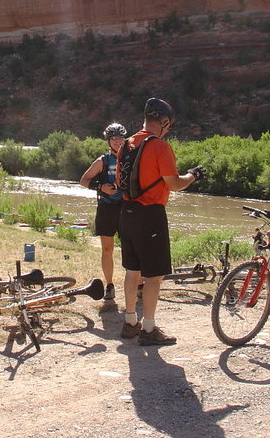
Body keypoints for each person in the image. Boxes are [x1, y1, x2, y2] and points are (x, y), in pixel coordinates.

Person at [118, 98, 205, 346]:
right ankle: (149, 329)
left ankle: (130, 322)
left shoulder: (126, 144)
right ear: (164, 122)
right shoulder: (159, 147)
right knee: (154, 276)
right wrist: (193, 175)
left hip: (127, 212)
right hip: (150, 215)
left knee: (132, 271)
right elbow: (174, 184)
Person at [80, 122, 128, 300]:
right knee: (107, 249)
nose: (118, 141)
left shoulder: (130, 159)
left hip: (126, 208)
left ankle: (138, 284)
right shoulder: (102, 161)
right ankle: (109, 285)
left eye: (120, 138)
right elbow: (84, 180)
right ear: (108, 141)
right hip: (107, 207)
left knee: (130, 247)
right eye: (114, 139)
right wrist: (101, 187)